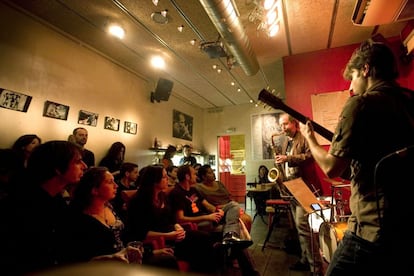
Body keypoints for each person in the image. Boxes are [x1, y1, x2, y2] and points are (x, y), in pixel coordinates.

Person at [300, 39, 414, 275]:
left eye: (353, 76)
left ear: (366, 69)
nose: (351, 86)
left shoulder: (360, 105)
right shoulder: (409, 101)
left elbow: (331, 168)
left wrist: (309, 138)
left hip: (372, 230)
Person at [2, 140, 88, 274]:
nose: (84, 166)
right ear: (58, 169)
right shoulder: (23, 206)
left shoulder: (57, 199)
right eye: (78, 162)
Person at [68, 166, 178, 269]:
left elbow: (126, 238)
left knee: (168, 258)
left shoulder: (109, 206)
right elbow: (83, 257)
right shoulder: (82, 219)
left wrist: (151, 252)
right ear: (94, 190)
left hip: (126, 257)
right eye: (110, 182)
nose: (116, 185)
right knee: (167, 261)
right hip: (107, 265)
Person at [125, 165, 222, 274]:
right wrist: (170, 235)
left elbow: (171, 218)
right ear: (154, 181)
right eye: (164, 177)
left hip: (170, 233)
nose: (168, 179)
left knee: (203, 238)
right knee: (197, 243)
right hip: (157, 238)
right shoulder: (139, 201)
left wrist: (176, 226)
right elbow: (140, 233)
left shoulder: (162, 196)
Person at [168, 165, 258, 276]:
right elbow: (180, 219)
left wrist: (216, 211)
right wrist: (207, 217)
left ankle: (230, 235)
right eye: (194, 174)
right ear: (187, 176)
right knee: (238, 230)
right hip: (198, 224)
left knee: (233, 205)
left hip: (209, 218)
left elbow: (207, 205)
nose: (196, 176)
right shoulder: (177, 193)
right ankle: (249, 270)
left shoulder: (193, 190)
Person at [275, 112, 323, 275]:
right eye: (280, 125)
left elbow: (311, 156)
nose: (282, 128)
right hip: (292, 187)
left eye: (285, 124)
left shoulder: (303, 137)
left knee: (303, 226)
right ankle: (305, 260)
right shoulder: (286, 142)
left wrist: (288, 158)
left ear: (295, 124)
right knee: (299, 226)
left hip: (304, 187)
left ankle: (316, 268)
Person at [195, 164, 253, 246]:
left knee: (247, 218)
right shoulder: (199, 187)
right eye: (210, 173)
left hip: (230, 207)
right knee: (241, 217)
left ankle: (237, 241)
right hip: (219, 210)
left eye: (213, 171)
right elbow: (208, 206)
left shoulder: (219, 184)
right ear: (204, 177)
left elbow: (229, 196)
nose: (213, 174)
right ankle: (233, 239)